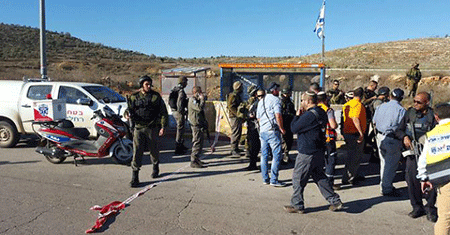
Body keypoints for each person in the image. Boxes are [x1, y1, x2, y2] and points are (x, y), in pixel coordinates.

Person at [284, 91, 342, 213]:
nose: (301, 103)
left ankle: (297, 204)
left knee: (298, 178)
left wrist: (297, 116)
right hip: (319, 149)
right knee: (319, 176)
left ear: (308, 101)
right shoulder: (321, 112)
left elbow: (294, 128)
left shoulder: (308, 116)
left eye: (302, 101)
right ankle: (334, 201)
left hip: (307, 151)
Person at [397, 92, 437, 221]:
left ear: (427, 102)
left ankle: (430, 208)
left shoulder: (433, 116)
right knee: (412, 181)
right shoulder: (410, 113)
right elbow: (399, 130)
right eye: (414, 101)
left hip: (428, 155)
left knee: (430, 183)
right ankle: (417, 207)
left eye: (419, 102)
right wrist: (404, 137)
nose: (415, 104)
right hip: (412, 154)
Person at [127, 75, 169, 187]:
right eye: (147, 84)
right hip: (138, 128)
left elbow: (163, 112)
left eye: (150, 84)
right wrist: (126, 115)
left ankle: (155, 166)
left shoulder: (155, 97)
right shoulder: (134, 97)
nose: (149, 86)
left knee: (154, 150)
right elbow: (128, 110)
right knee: (137, 152)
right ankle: (135, 176)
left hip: (152, 128)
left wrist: (163, 126)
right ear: (141, 85)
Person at [417, 103, 450, 235]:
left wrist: (423, 177)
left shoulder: (431, 135)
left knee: (445, 217)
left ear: (436, 117)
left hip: (443, 180)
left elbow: (423, 159)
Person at [373, 88, 406, 197]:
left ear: (390, 96)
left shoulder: (381, 106)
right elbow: (402, 126)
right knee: (390, 165)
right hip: (392, 138)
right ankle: (386, 188)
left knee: (384, 162)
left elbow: (374, 121)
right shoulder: (401, 110)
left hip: (380, 136)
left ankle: (383, 184)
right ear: (401, 98)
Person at [256, 82, 286, 187]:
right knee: (277, 155)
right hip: (272, 131)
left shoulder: (261, 101)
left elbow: (258, 118)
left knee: (264, 156)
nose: (278, 91)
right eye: (277, 90)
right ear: (274, 90)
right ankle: (274, 180)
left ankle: (265, 178)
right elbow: (278, 115)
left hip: (263, 131)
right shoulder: (276, 100)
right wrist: (282, 128)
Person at [341, 87, 367, 186]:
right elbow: (355, 118)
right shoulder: (357, 105)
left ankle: (353, 174)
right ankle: (348, 178)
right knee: (354, 157)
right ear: (362, 95)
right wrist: (361, 133)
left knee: (352, 156)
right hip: (354, 133)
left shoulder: (347, 104)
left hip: (348, 132)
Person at [317, 91, 339, 189]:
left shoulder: (314, 109)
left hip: (317, 138)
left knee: (322, 159)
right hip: (328, 138)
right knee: (331, 159)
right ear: (325, 100)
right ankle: (329, 182)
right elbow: (333, 125)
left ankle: (321, 181)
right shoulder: (328, 110)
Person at [188, 86, 208, 168]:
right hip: (195, 124)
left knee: (200, 142)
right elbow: (199, 108)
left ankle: (197, 158)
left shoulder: (197, 100)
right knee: (197, 142)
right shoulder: (192, 100)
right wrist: (202, 99)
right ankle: (193, 160)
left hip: (199, 123)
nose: (201, 94)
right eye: (199, 93)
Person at [171, 76, 189, 155]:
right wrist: (182, 112)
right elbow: (180, 103)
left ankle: (181, 145)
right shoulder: (181, 91)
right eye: (186, 82)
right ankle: (178, 147)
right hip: (178, 112)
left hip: (174, 111)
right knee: (180, 130)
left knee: (180, 129)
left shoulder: (175, 89)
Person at [244, 85, 260, 171]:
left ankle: (253, 163)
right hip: (252, 126)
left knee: (254, 146)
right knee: (252, 145)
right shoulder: (252, 102)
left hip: (255, 126)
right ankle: (252, 163)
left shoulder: (256, 102)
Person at [227, 81, 245, 157]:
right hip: (234, 117)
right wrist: (237, 114)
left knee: (238, 132)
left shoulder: (237, 95)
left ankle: (236, 148)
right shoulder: (233, 95)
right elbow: (230, 106)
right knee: (235, 133)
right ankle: (233, 149)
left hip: (237, 117)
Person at [280, 87, 296, 164]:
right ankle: (283, 156)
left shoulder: (289, 101)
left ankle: (286, 155)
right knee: (284, 141)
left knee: (289, 140)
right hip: (284, 123)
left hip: (289, 123)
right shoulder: (282, 102)